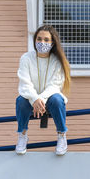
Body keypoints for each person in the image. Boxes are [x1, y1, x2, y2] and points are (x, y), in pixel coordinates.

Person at [15, 25, 71, 156]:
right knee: (20, 100)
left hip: (49, 101)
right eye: (39, 39)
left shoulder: (57, 61)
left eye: (46, 40)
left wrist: (41, 99)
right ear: (34, 40)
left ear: (52, 42)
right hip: (31, 101)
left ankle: (62, 135)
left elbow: (55, 85)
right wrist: (35, 99)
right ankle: (22, 135)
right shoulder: (26, 58)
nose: (42, 42)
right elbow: (25, 83)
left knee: (57, 99)